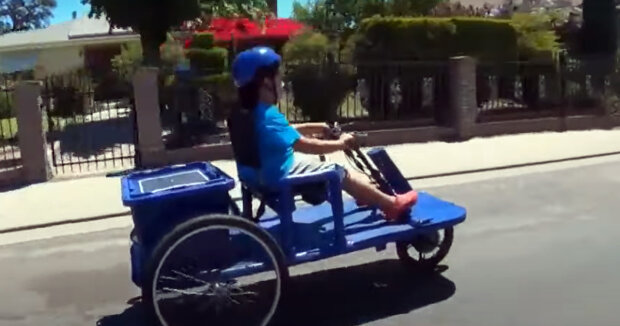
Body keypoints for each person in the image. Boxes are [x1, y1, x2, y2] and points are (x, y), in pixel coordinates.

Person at [227, 46, 418, 222]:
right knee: (338, 171)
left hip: (256, 175)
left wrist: (319, 127)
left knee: (329, 168)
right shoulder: (268, 115)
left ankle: (366, 195)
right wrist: (342, 143)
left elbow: (286, 131)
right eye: (278, 76)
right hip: (278, 176)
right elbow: (305, 145)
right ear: (266, 82)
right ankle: (392, 205)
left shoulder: (246, 112)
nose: (281, 82)